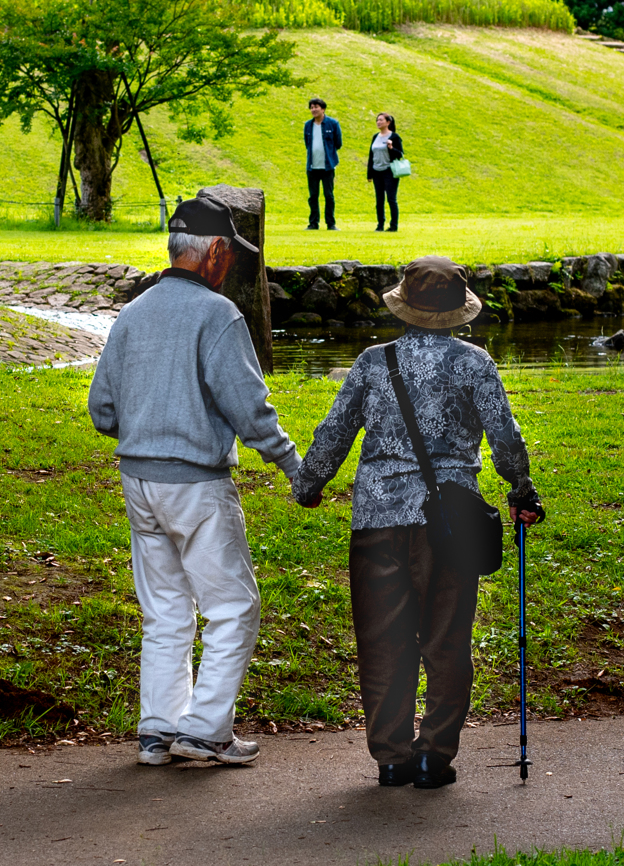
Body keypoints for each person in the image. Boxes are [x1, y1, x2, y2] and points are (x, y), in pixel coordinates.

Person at [292, 256, 543, 789]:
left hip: (378, 520)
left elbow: (334, 431)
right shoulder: (475, 364)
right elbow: (505, 437)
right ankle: (433, 757)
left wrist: (309, 484)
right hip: (449, 523)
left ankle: (391, 757)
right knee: (447, 640)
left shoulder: (372, 362)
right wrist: (521, 490)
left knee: (384, 643)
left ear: (403, 307)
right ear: (460, 312)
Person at [88, 196, 302, 768]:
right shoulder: (218, 316)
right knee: (233, 606)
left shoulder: (132, 314)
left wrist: (148, 424)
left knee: (165, 610)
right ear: (213, 252)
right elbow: (251, 413)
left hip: (139, 482)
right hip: (197, 486)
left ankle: (158, 730)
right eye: (229, 253)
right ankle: (206, 730)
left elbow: (102, 410)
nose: (230, 264)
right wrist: (293, 466)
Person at [303, 97, 342, 231]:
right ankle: (313, 223)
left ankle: (331, 223)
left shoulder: (332, 123)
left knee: (329, 195)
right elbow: (307, 143)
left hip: (328, 166)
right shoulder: (308, 125)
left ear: (323, 109)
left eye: (316, 107)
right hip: (312, 166)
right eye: (311, 107)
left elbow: (338, 143)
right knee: (313, 196)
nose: (313, 110)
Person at [367, 112, 403, 233]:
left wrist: (391, 148)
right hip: (377, 171)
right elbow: (371, 155)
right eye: (377, 120)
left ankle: (393, 225)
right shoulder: (375, 137)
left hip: (389, 171)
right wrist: (369, 174)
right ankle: (380, 224)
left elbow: (400, 155)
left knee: (391, 199)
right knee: (379, 199)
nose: (378, 122)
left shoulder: (394, 137)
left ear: (388, 122)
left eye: (381, 120)